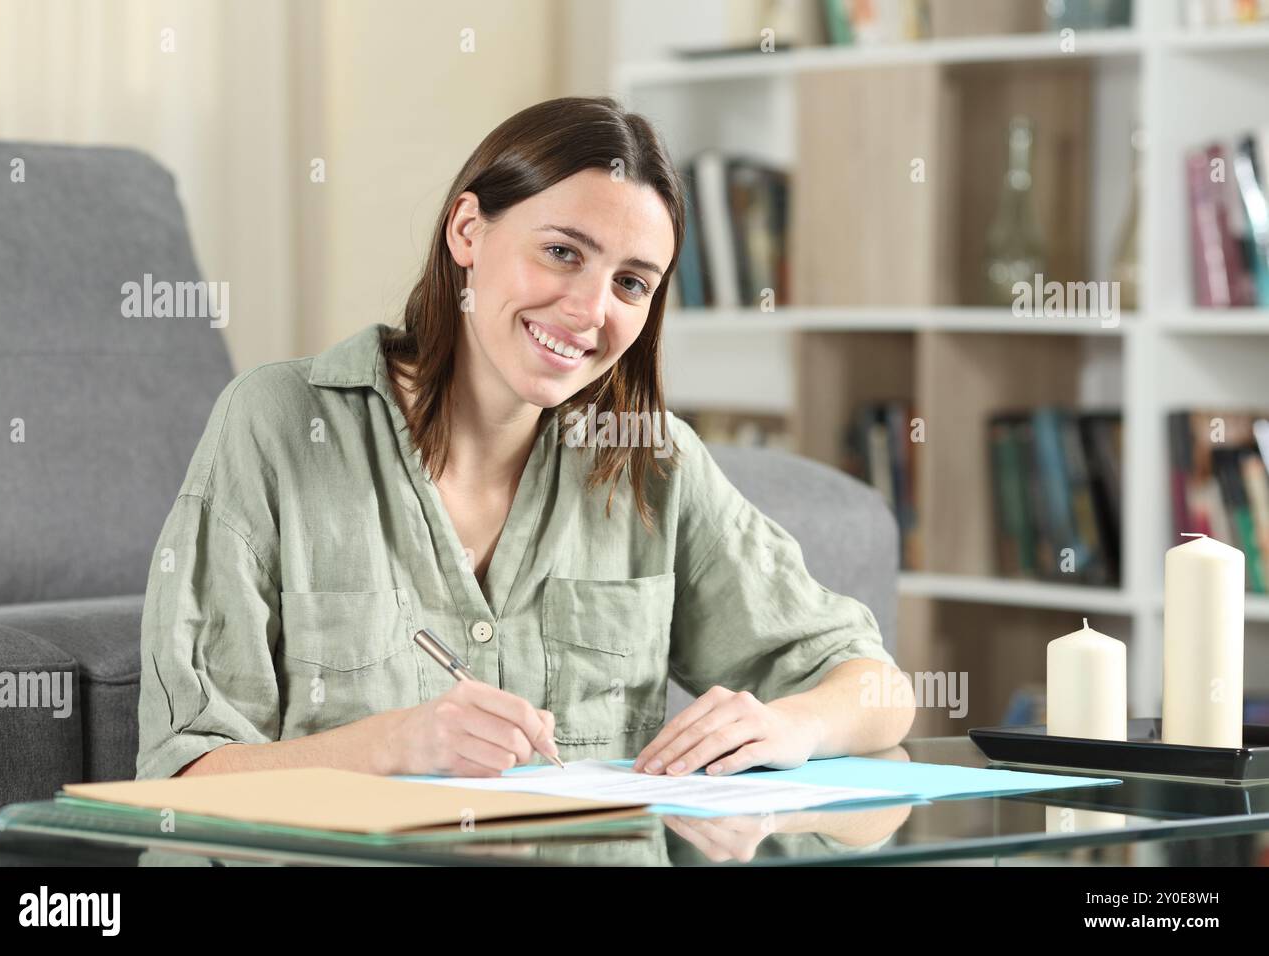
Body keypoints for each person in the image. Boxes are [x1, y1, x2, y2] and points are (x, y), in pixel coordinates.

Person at [135, 95, 915, 782]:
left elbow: (878, 691)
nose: (589, 309)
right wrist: (391, 744)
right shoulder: (275, 423)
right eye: (563, 252)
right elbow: (182, 775)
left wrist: (787, 725)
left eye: (631, 283)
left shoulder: (652, 460)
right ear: (468, 231)